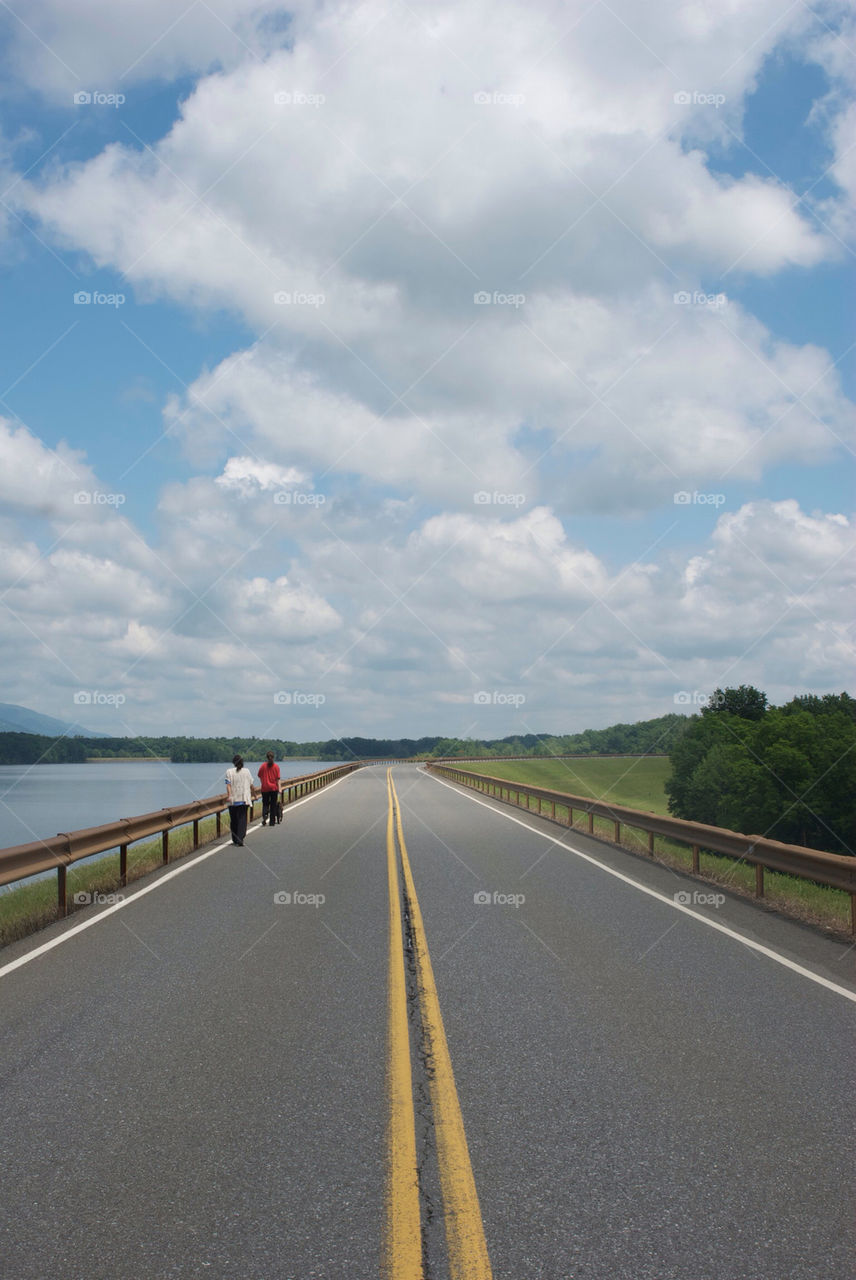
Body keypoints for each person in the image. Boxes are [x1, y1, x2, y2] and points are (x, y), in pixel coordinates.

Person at [225, 753, 254, 846]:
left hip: (233, 800)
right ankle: (240, 838)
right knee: (242, 819)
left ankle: (235, 838)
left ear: (233, 762)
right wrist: (254, 794)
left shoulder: (229, 772)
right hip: (244, 799)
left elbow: (228, 785)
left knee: (234, 820)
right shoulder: (247, 771)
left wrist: (229, 796)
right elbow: (251, 784)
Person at [258, 750, 281, 826]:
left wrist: (263, 782)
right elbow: (278, 779)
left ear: (267, 758)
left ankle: (265, 815)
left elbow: (260, 776)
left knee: (265, 803)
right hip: (273, 788)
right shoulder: (276, 767)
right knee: (273, 805)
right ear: (273, 757)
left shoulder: (263, 766)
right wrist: (279, 788)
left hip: (265, 788)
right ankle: (272, 822)